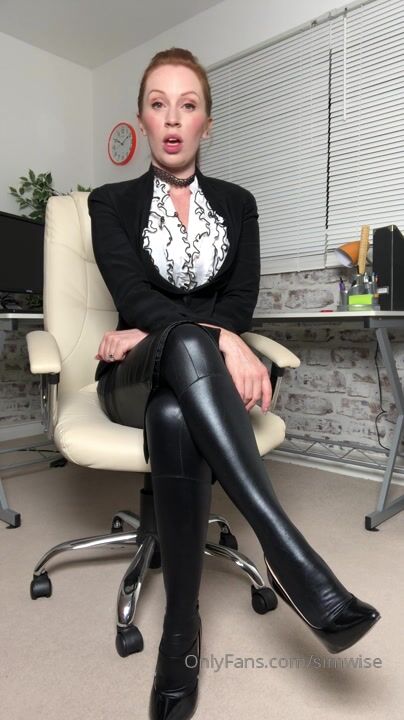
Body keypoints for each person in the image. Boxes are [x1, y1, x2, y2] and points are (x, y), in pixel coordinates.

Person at [88, 48, 381, 720]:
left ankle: (180, 639)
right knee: (189, 346)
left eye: (187, 105)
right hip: (133, 376)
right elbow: (133, 294)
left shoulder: (239, 205)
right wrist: (214, 338)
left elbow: (241, 301)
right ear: (142, 117)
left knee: (174, 416)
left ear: (207, 123)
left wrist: (191, 333)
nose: (172, 118)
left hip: (197, 383)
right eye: (158, 104)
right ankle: (289, 554)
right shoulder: (110, 202)